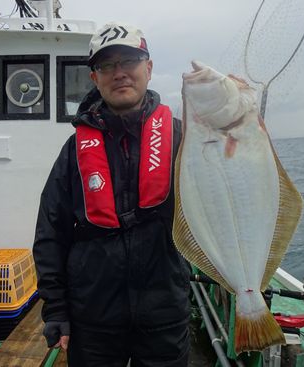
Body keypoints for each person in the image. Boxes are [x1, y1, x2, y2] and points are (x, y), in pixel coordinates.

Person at [33, 21, 191, 367]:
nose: (119, 73)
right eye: (107, 65)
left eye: (129, 61)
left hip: (165, 311)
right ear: (95, 78)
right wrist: (56, 309)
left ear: (148, 69)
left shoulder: (183, 140)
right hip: (93, 320)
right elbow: (50, 233)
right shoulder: (74, 150)